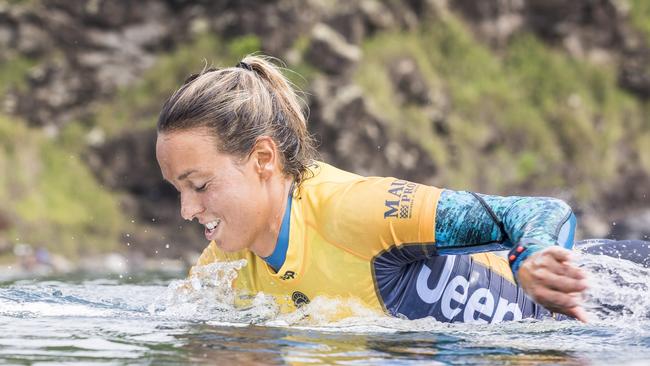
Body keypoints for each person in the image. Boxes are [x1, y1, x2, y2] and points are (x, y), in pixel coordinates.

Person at [155, 55, 647, 323]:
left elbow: (538, 212)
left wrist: (533, 259)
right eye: (178, 190)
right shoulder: (225, 269)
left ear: (264, 158)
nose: (187, 209)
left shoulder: (355, 210)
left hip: (616, 292)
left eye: (199, 185)